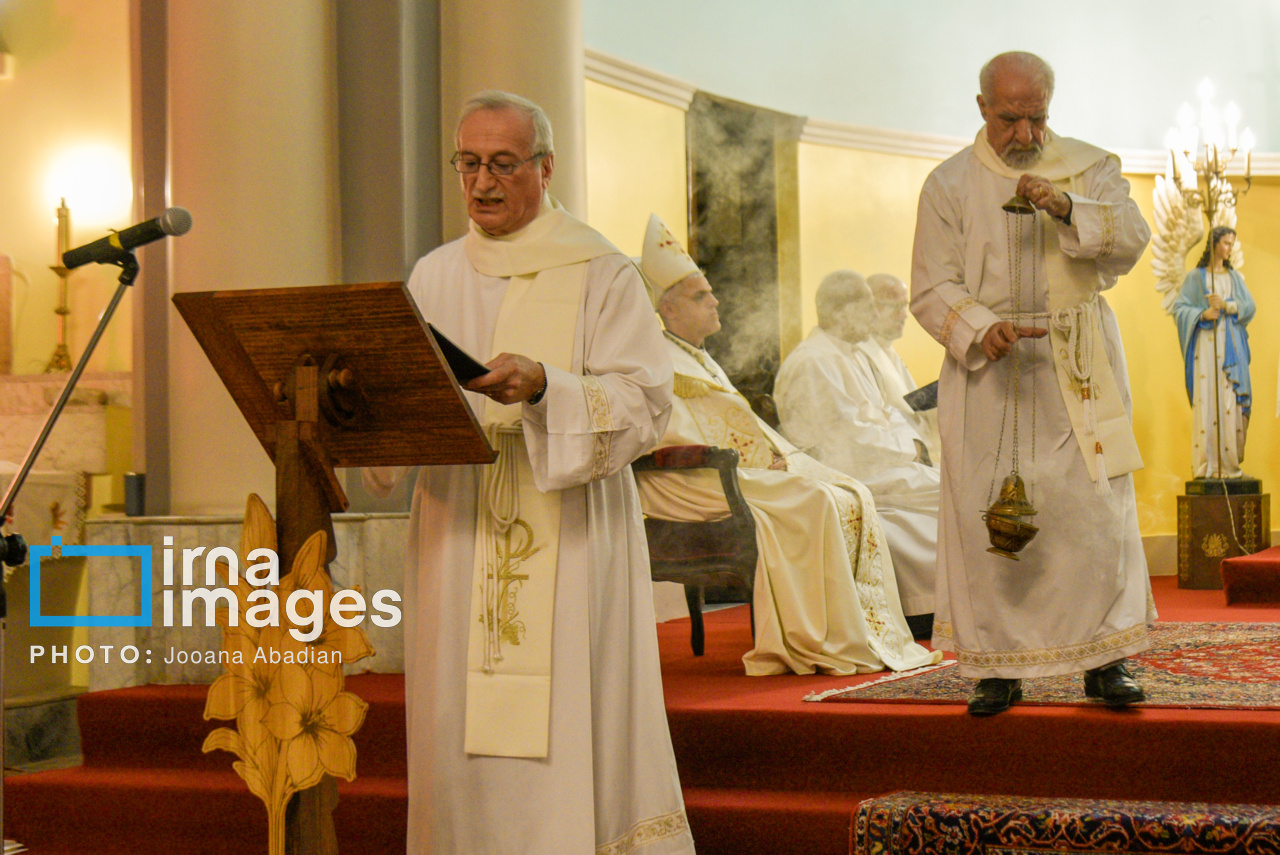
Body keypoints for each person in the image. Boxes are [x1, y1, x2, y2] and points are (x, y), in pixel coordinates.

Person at [365, 92, 694, 854]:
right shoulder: (435, 273)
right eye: (468, 163)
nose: (482, 182)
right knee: (456, 714)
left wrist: (547, 386)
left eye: (503, 164)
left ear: (545, 168)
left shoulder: (599, 270)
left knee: (570, 713)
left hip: (569, 528)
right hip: (459, 526)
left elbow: (647, 402)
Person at [910, 52, 1155, 716]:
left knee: (1092, 515)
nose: (1025, 134)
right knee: (990, 514)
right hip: (992, 373)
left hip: (1078, 359)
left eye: (1036, 118)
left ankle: (1106, 660)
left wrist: (1067, 205)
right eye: (1009, 119)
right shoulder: (949, 184)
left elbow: (1133, 237)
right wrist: (979, 327)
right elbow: (931, 284)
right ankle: (998, 665)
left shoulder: (1088, 165)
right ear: (982, 108)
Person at [634, 213, 941, 677]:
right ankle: (818, 636)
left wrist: (777, 457)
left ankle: (856, 628)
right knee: (818, 498)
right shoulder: (662, 362)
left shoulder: (697, 358)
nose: (716, 301)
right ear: (669, 310)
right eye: (701, 296)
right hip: (696, 482)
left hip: (734, 471)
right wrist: (764, 461)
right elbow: (672, 435)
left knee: (846, 492)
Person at [774, 270, 940, 637]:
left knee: (947, 488)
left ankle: (932, 603)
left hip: (875, 463)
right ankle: (921, 608)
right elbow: (844, 437)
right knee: (946, 492)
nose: (874, 315)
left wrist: (911, 446)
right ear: (838, 312)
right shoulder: (814, 361)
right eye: (868, 306)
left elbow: (888, 414)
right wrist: (908, 450)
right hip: (840, 470)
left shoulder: (855, 354)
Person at [1171, 226, 1255, 479]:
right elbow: (1179, 309)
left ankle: (1229, 465)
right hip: (1206, 349)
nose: (1230, 248)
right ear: (1214, 244)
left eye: (1232, 243)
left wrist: (1228, 306)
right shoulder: (1196, 278)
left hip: (1230, 349)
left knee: (1230, 401)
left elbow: (1250, 307)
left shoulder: (1233, 277)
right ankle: (1207, 466)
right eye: (1226, 243)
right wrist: (1202, 313)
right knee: (1207, 400)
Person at [866, 272, 942, 464]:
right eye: (896, 306)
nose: (904, 315)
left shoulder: (886, 349)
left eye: (904, 306)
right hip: (894, 459)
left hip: (916, 454)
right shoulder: (862, 354)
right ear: (870, 307)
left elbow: (909, 409)